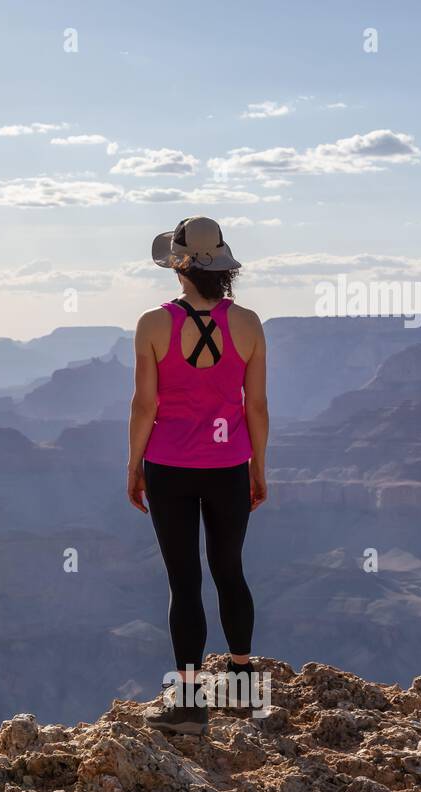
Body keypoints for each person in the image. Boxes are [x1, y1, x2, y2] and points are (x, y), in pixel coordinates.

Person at [126, 216, 269, 735]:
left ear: (179, 265)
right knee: (230, 571)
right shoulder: (250, 324)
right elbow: (256, 406)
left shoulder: (152, 324)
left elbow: (145, 405)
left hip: (169, 466)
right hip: (228, 464)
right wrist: (259, 466)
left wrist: (133, 465)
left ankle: (188, 705)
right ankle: (244, 688)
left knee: (184, 581)